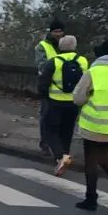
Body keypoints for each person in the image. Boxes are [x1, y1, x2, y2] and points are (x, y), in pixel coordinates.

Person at [70, 38, 108, 212]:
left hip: (94, 121)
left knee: (92, 160)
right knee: (104, 158)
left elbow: (78, 97)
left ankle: (93, 198)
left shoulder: (95, 71)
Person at [39, 35, 87, 175]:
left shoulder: (54, 61)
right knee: (67, 131)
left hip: (55, 101)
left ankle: (60, 156)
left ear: (60, 46)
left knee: (50, 130)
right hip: (73, 103)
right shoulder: (82, 61)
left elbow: (43, 82)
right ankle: (64, 156)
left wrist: (44, 96)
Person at [35, 20, 64, 157]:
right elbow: (42, 67)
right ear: (51, 32)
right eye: (55, 31)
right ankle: (45, 143)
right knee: (46, 115)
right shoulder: (42, 46)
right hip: (47, 86)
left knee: (60, 118)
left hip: (63, 88)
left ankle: (57, 145)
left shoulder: (65, 45)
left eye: (60, 31)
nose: (58, 34)